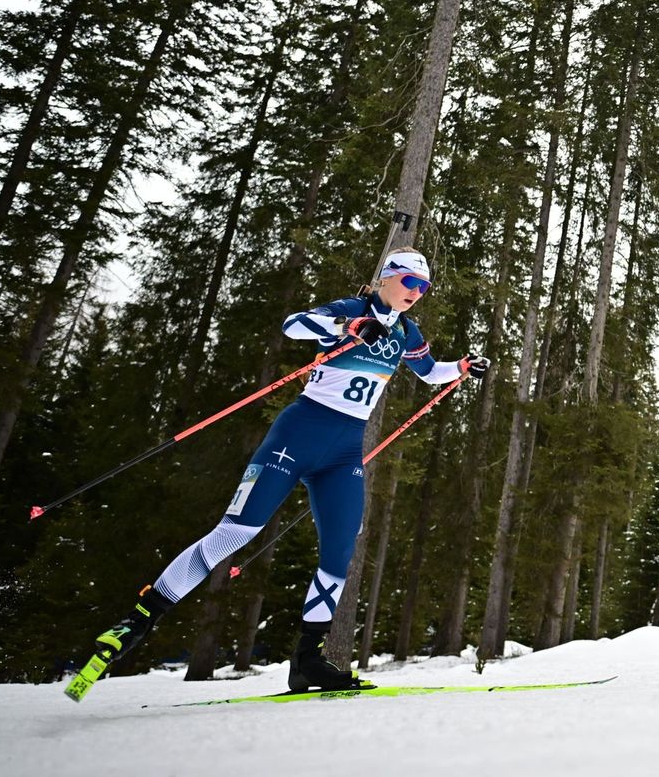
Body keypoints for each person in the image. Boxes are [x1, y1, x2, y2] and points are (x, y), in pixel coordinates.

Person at [67, 249, 489, 700]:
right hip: (298, 433)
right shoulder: (353, 309)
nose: (416, 294)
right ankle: (137, 619)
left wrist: (461, 368)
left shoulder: (407, 331)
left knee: (340, 551)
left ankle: (308, 660)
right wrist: (347, 327)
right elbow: (294, 324)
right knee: (234, 534)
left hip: (344, 451)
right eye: (410, 283)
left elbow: (428, 373)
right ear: (386, 278)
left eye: (423, 288)